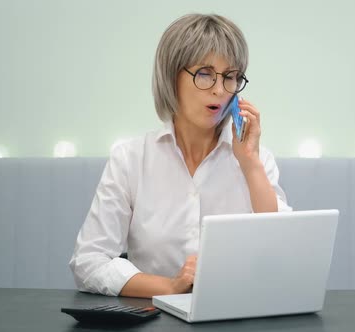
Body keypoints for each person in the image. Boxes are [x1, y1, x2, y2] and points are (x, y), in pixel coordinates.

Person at [69, 13, 292, 298]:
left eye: (231, 76)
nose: (220, 89)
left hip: (240, 313)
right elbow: (89, 262)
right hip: (155, 318)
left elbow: (284, 253)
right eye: (204, 74)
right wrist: (170, 287)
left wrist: (251, 165)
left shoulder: (255, 160)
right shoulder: (131, 159)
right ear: (171, 76)